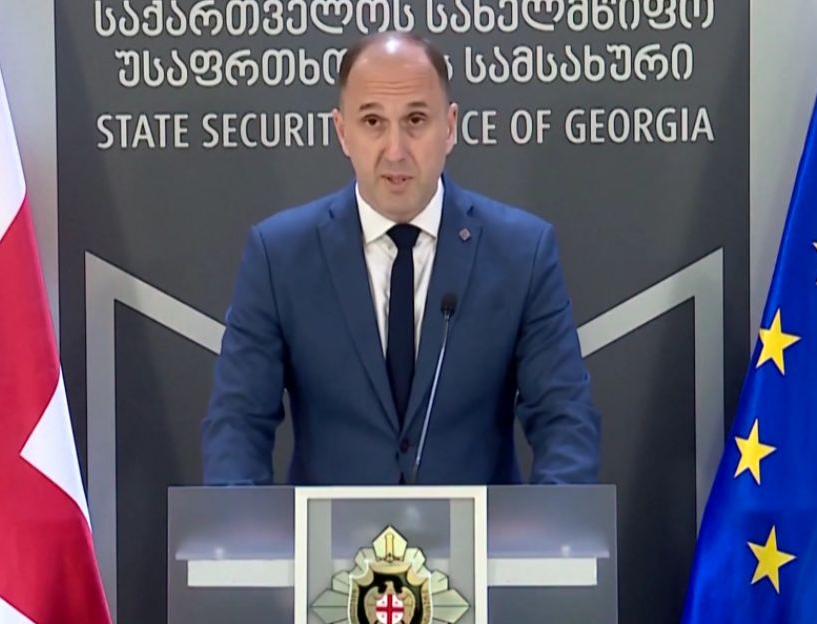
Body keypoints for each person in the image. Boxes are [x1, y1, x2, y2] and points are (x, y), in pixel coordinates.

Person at [200, 31, 599, 485]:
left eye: (415, 120)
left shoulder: (521, 253)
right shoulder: (279, 257)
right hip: (330, 533)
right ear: (342, 131)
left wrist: (549, 528)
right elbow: (237, 423)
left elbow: (565, 419)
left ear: (449, 127)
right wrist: (243, 528)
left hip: (480, 533)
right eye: (373, 121)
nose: (395, 150)